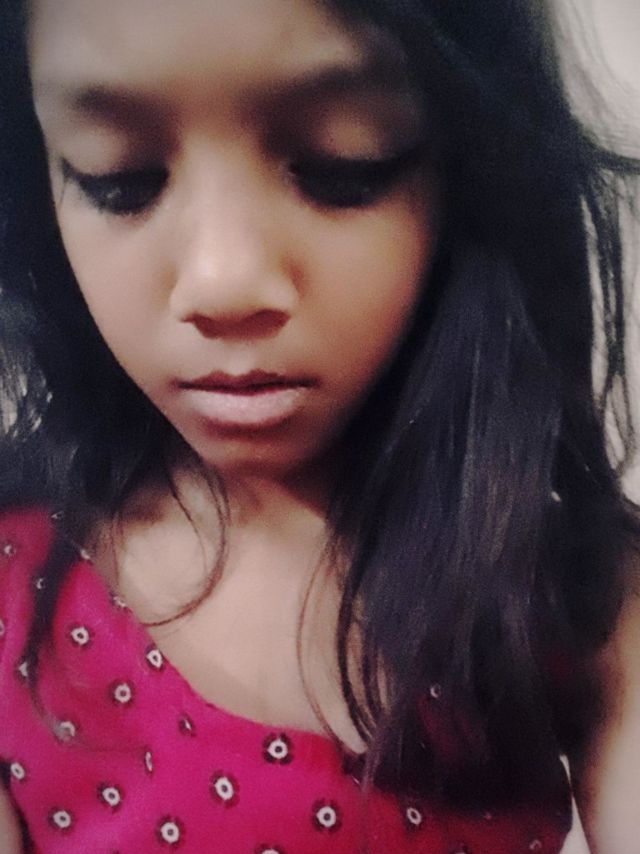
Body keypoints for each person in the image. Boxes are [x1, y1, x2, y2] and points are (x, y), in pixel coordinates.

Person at [0, 0, 637, 850]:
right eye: (118, 178)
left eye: (344, 166)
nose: (223, 283)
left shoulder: (569, 585)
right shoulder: (15, 577)